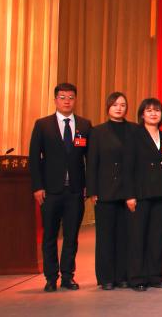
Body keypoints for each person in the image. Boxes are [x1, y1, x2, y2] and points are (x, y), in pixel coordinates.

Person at [29, 83, 92, 292]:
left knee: (71, 236)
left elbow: (90, 159)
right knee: (50, 235)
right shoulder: (43, 125)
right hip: (50, 190)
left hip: (75, 190)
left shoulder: (84, 125)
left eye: (71, 97)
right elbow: (34, 159)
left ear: (75, 100)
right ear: (55, 100)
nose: (67, 101)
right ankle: (50, 277)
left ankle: (67, 276)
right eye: (62, 97)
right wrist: (37, 186)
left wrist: (88, 186)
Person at [122, 98, 162, 291]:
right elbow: (127, 167)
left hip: (160, 193)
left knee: (156, 237)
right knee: (137, 236)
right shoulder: (134, 135)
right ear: (142, 114)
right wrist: (129, 195)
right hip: (140, 193)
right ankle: (136, 278)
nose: (153, 113)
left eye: (157, 110)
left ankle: (154, 275)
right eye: (149, 110)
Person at [86, 92, 133, 290]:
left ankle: (122, 275)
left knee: (124, 236)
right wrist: (92, 190)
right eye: (115, 105)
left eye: (122, 105)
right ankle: (106, 277)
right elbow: (92, 162)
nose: (119, 108)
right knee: (105, 236)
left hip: (128, 191)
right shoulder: (97, 132)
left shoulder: (134, 130)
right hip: (105, 191)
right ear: (108, 107)